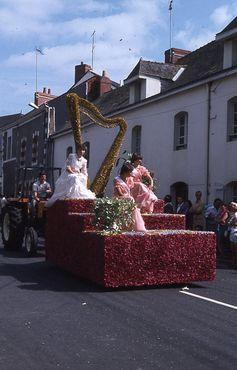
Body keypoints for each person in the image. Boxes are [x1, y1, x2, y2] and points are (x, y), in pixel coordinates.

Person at [113, 163, 146, 232]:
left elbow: (131, 188)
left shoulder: (128, 179)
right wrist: (127, 196)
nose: (130, 174)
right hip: (119, 198)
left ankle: (132, 225)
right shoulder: (117, 180)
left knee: (131, 200)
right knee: (130, 199)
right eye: (129, 172)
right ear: (125, 172)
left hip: (127, 198)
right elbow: (119, 193)